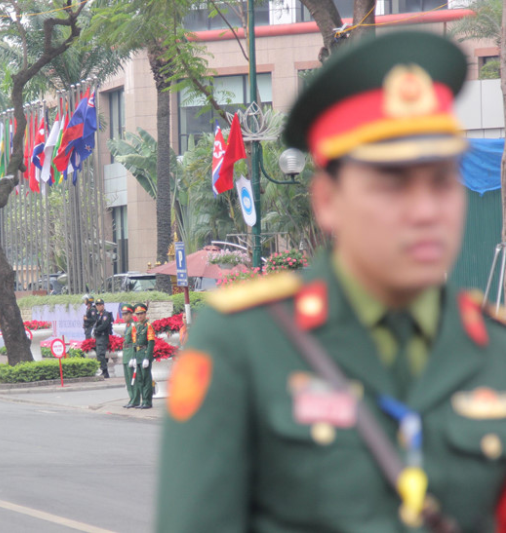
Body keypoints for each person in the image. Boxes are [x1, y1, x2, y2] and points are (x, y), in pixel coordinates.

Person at [156, 31, 506, 532]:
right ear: (327, 201)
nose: (427, 211)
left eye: (440, 181)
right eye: (392, 183)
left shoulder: (494, 351)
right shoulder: (242, 346)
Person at [131, 303, 154, 409]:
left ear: (145, 314)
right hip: (138, 355)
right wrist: (134, 357)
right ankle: (142, 401)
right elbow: (134, 344)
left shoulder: (148, 326)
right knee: (139, 379)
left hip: (144, 354)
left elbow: (151, 343)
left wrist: (147, 358)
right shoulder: (136, 326)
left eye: (141, 313)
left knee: (146, 379)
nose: (139, 316)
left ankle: (147, 401)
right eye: (138, 314)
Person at [120, 304, 140, 408]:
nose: (124, 316)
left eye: (126, 314)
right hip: (126, 354)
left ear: (131, 314)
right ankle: (131, 398)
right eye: (123, 314)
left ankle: (135, 399)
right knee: (128, 379)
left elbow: (135, 342)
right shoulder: (127, 326)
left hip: (131, 353)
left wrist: (134, 356)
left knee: (133, 379)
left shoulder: (133, 326)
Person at [93, 298, 113, 378]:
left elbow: (104, 325)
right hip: (98, 337)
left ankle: (105, 371)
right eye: (97, 305)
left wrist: (96, 329)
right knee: (99, 354)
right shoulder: (99, 315)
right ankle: (103, 370)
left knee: (100, 354)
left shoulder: (106, 314)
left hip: (103, 336)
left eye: (99, 305)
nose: (98, 306)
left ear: (103, 305)